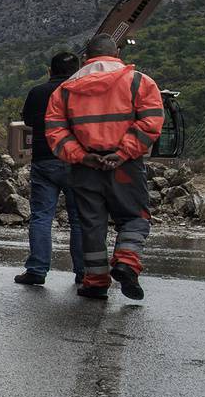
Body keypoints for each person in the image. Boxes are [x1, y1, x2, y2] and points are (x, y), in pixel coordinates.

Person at [46, 33, 166, 301]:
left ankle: (97, 280)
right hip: (125, 166)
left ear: (87, 58)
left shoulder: (65, 90)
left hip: (85, 167)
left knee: (92, 224)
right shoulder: (139, 82)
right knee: (135, 217)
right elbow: (152, 121)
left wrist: (82, 156)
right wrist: (122, 153)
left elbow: (55, 131)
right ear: (116, 55)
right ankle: (126, 261)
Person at [14, 50, 86, 287]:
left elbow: (29, 122)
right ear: (77, 70)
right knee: (79, 218)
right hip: (77, 161)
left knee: (42, 216)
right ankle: (84, 272)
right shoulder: (83, 91)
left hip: (45, 159)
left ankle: (37, 269)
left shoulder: (37, 92)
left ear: (50, 70)